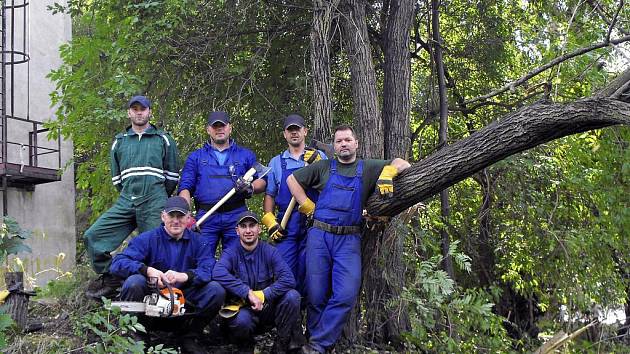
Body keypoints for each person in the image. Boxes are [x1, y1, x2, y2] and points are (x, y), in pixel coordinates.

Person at [286, 124, 411, 353]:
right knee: (315, 295)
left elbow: (403, 163)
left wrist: (388, 173)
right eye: (339, 141)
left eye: (347, 140)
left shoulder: (369, 167)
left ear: (356, 144)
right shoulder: (324, 167)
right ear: (334, 146)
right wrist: (306, 205)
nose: (343, 144)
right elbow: (292, 180)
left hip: (349, 239)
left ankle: (318, 344)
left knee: (346, 294)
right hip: (319, 236)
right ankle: (315, 345)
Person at [85, 95, 180, 300]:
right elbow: (117, 179)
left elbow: (172, 177)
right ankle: (113, 277)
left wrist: (157, 195)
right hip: (127, 199)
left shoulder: (163, 139)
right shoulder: (119, 143)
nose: (139, 112)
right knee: (93, 236)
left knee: (159, 249)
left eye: (143, 109)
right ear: (129, 113)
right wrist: (131, 197)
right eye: (135, 109)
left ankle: (158, 295)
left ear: (149, 112)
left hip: (155, 201)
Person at [110, 196, 226, 353]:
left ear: (188, 218)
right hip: (152, 300)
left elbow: (209, 269)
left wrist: (185, 276)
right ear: (163, 216)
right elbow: (118, 263)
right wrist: (147, 271)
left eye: (180, 216)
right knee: (134, 282)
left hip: (185, 302)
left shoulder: (199, 242)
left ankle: (189, 336)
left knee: (216, 290)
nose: (176, 221)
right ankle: (137, 336)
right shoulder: (148, 238)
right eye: (172, 216)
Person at [213, 210, 303, 354]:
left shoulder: (270, 251)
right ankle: (245, 346)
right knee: (241, 321)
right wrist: (247, 292)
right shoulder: (231, 252)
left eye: (252, 225)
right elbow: (217, 272)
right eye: (243, 226)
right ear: (237, 231)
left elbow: (288, 279)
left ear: (259, 229)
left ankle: (281, 345)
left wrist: (262, 295)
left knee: (292, 296)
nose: (248, 230)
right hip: (243, 310)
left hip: (267, 308)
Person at [178, 111, 266, 255]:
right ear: (208, 130)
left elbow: (262, 181)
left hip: (236, 216)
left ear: (230, 128)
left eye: (223, 126)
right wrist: (186, 215)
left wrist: (250, 187)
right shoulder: (196, 157)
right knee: (201, 258)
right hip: (206, 217)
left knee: (237, 260)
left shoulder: (245, 155)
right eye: (215, 126)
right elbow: (185, 188)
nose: (219, 129)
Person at [261, 114, 326, 296]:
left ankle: (310, 317)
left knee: (312, 271)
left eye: (297, 129)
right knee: (285, 272)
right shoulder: (276, 162)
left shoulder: (318, 156)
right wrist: (269, 220)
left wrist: (321, 164)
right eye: (290, 130)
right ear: (285, 135)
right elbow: (270, 194)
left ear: (305, 131)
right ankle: (288, 315)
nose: (294, 133)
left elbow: (330, 184)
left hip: (314, 221)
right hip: (286, 224)